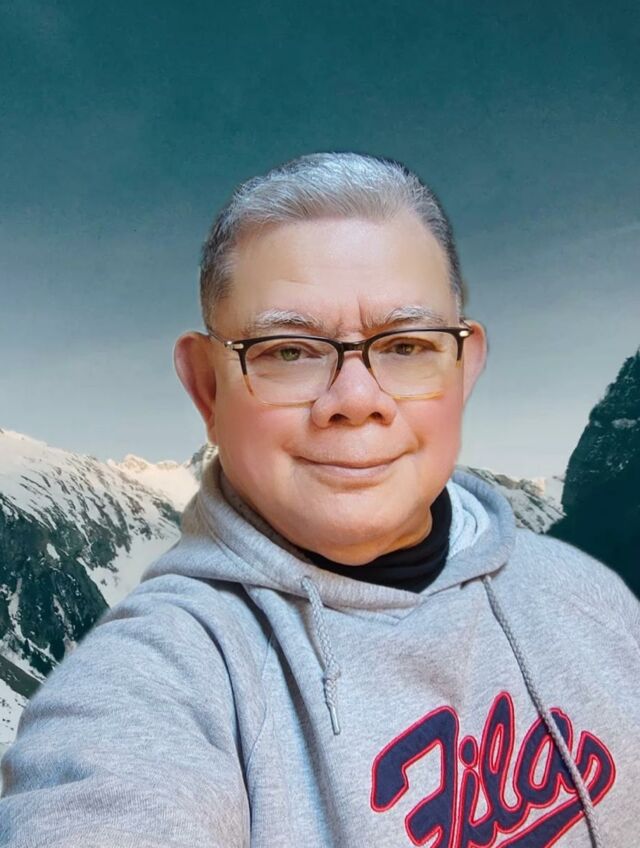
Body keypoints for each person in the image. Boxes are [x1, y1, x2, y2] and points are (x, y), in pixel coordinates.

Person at [1, 152, 638, 848]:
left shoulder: (588, 595)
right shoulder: (156, 681)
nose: (356, 400)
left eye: (405, 345)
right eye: (288, 351)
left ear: (462, 369)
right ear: (208, 389)